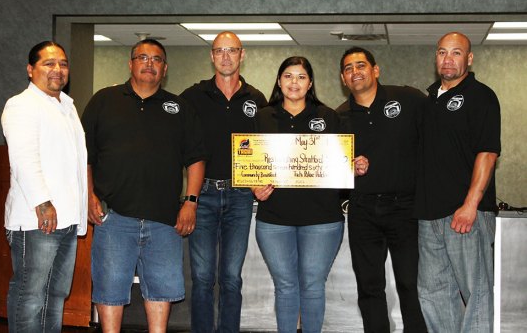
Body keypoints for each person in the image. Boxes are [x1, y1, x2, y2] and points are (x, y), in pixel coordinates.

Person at [82, 39, 206, 333]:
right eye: (142, 57)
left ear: (165, 68)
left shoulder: (180, 107)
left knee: (161, 291)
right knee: (109, 290)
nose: (149, 64)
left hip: (164, 220)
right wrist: (88, 195)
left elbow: (196, 159)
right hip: (113, 218)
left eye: (157, 59)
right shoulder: (104, 101)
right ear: (131, 64)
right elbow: (84, 155)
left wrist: (190, 202)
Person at [253, 56, 368, 333]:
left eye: (301, 77)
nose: (295, 82)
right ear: (279, 81)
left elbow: (342, 165)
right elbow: (248, 162)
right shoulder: (262, 117)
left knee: (313, 286)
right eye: (289, 76)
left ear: (310, 83)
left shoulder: (329, 117)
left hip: (322, 220)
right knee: (285, 286)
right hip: (274, 220)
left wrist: (354, 167)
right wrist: (253, 186)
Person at [180, 31, 267, 332]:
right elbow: (177, 145)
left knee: (231, 278)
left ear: (242, 55)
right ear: (212, 56)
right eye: (219, 51)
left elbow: (263, 148)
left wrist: (261, 182)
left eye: (232, 50)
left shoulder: (257, 99)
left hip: (241, 197)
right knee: (202, 278)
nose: (226, 56)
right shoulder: (192, 97)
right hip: (201, 197)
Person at [336, 47, 427, 333]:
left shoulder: (409, 99)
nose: (355, 72)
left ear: (376, 70)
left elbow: (435, 142)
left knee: (411, 284)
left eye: (361, 65)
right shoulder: (338, 118)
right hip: (362, 210)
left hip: (406, 209)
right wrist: (347, 167)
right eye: (349, 69)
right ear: (343, 78)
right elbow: (331, 169)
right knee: (370, 285)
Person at [415, 32, 500, 333]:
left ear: (469, 58)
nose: (447, 59)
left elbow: (487, 153)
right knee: (433, 295)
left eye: (456, 53)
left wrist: (470, 204)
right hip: (429, 217)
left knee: (476, 294)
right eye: (441, 52)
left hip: (465, 215)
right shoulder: (428, 102)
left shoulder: (481, 96)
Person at [1, 41, 88, 332]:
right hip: (37, 220)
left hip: (66, 219)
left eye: (63, 64)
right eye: (48, 63)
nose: (58, 70)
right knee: (30, 296)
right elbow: (24, 159)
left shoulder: (67, 106)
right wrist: (43, 203)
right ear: (30, 70)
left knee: (55, 296)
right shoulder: (21, 104)